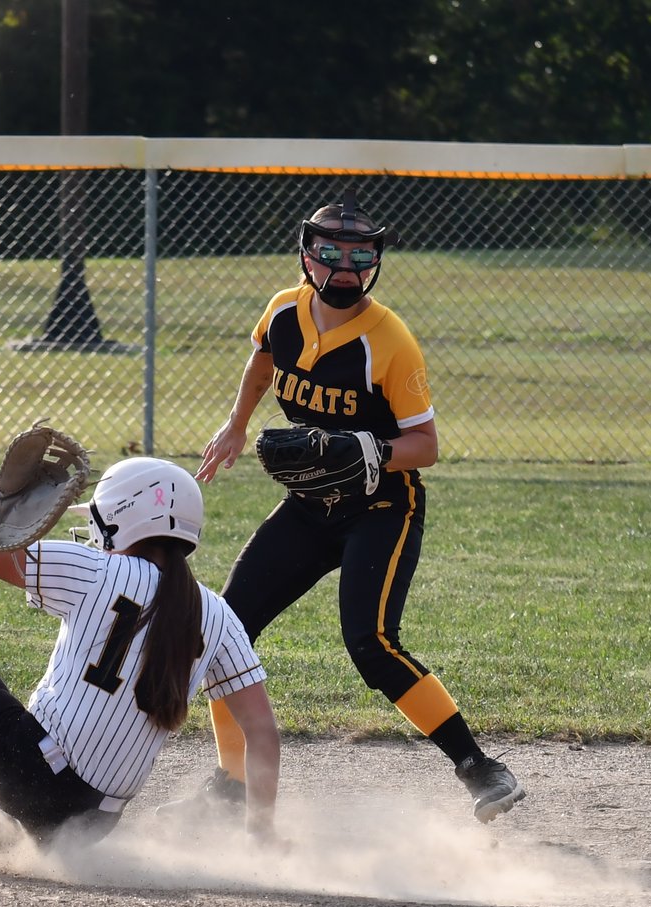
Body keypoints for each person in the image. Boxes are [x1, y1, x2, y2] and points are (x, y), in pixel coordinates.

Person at [194, 200, 525, 822]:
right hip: (310, 504)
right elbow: (262, 360)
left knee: (370, 643)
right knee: (223, 633)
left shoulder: (389, 341)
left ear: (376, 263)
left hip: (382, 506)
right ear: (305, 258)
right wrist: (235, 424)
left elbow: (425, 446)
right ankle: (230, 789)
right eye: (330, 254)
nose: (344, 268)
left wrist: (365, 449)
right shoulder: (283, 310)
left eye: (360, 256)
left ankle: (482, 769)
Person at [0, 416, 279, 845]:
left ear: (121, 519)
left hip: (35, 781)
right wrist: (260, 834)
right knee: (52, 716)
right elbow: (261, 732)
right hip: (94, 822)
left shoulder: (97, 571)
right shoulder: (218, 614)